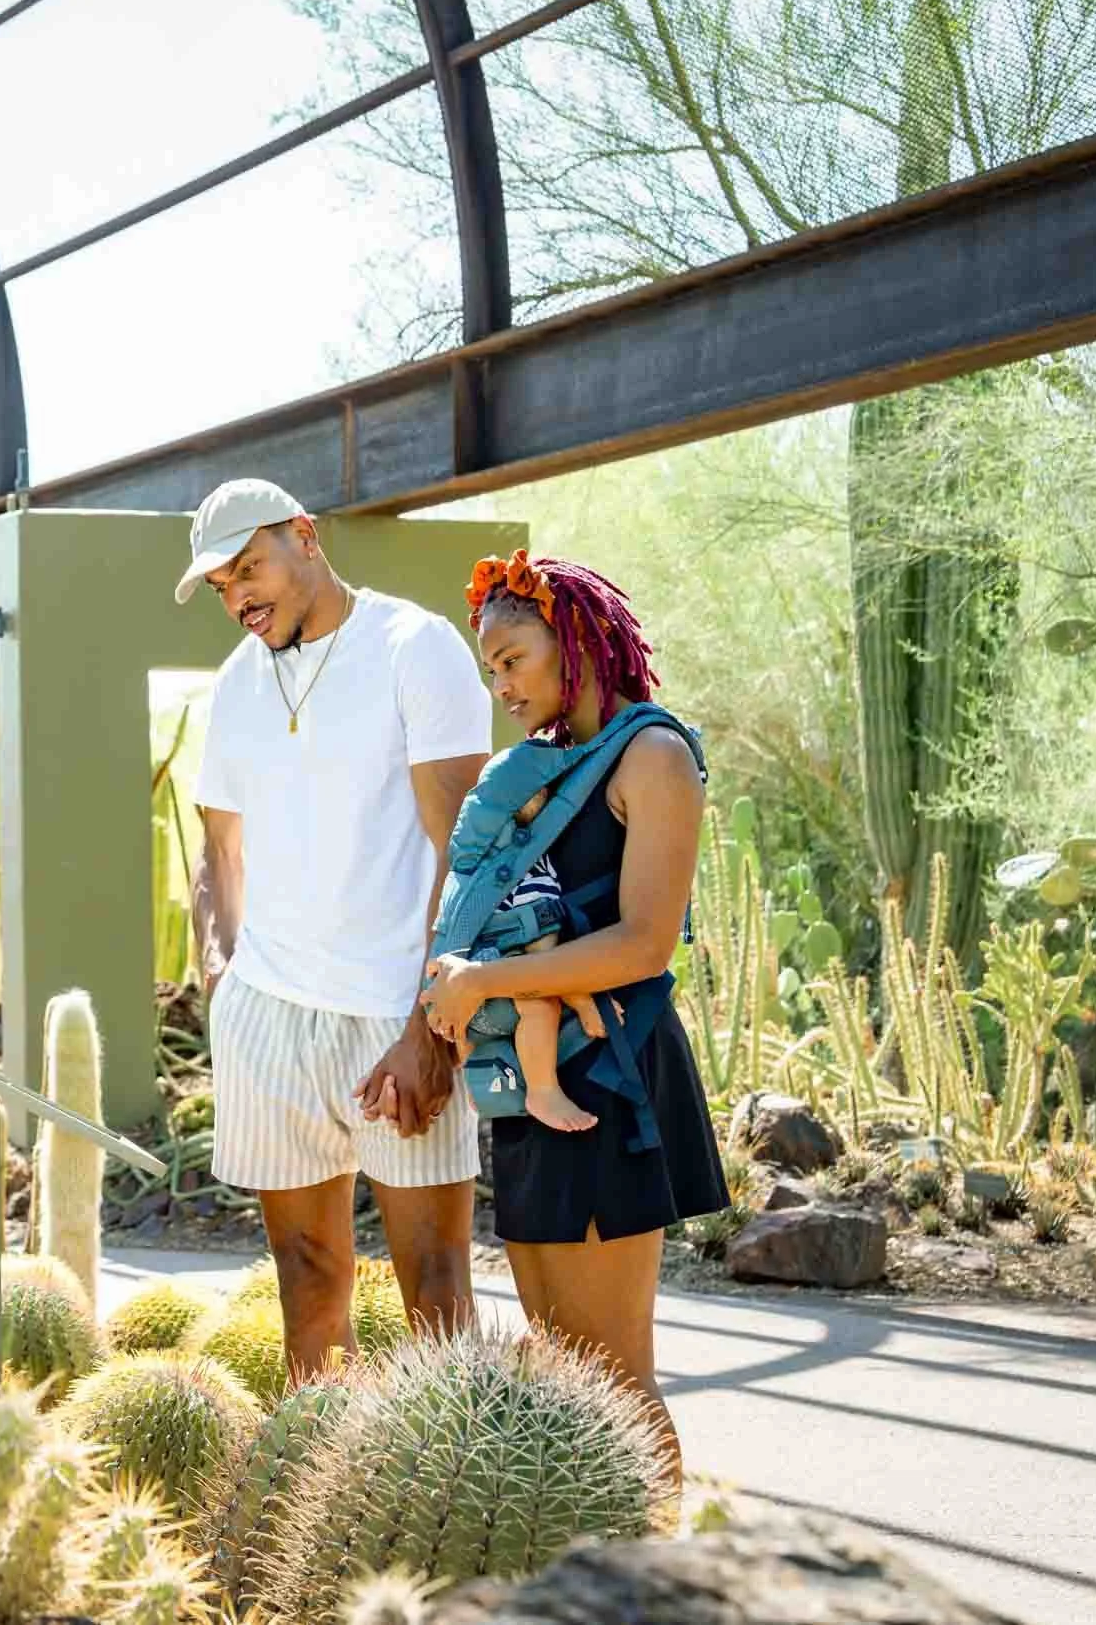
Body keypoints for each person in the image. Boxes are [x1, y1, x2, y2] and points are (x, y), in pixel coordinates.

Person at [419, 550, 730, 1482]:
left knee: (617, 1379)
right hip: (530, 1090)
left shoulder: (655, 757)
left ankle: (662, 1583)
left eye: (513, 658)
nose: (501, 685)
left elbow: (644, 944)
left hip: (611, 1084)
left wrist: (478, 984)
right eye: (490, 670)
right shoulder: (538, 773)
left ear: (578, 642)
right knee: (561, 1373)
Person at [179, 478, 490, 1382]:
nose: (239, 597)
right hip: (272, 1021)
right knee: (307, 1283)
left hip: (392, 1015)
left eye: (251, 567)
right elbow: (218, 854)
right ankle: (332, 1501)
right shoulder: (237, 685)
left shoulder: (412, 647)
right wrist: (222, 978)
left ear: (305, 537)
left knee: (436, 1290)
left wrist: (425, 1028)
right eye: (221, 586)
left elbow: (466, 852)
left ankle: (459, 1511)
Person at [490, 786, 609, 1133]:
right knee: (542, 1003)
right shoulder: (526, 872)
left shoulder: (506, 851)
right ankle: (542, 1091)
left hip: (491, 961)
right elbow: (542, 960)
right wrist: (584, 1002)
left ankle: (479, 1080)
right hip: (508, 959)